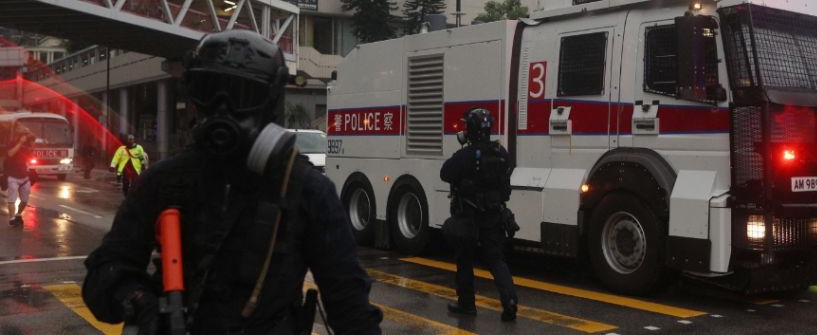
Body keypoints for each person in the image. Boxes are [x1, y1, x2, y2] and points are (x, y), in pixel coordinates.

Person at [82, 29, 383, 334]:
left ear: (269, 104)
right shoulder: (164, 182)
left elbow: (350, 306)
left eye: (243, 95)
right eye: (211, 90)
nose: (223, 108)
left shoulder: (306, 190)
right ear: (195, 97)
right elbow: (102, 278)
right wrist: (137, 299)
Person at [440, 107, 518, 322]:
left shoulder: (465, 155)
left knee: (464, 259)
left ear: (471, 130)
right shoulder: (501, 153)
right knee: (496, 258)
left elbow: (445, 173)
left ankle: (467, 305)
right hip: (494, 215)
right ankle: (510, 301)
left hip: (468, 217)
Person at [5, 131, 33, 227]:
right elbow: (10, 154)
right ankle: (12, 218)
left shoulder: (27, 147)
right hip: (13, 177)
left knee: (24, 200)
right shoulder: (12, 144)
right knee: (11, 199)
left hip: (24, 178)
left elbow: (30, 158)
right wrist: (20, 143)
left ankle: (18, 214)